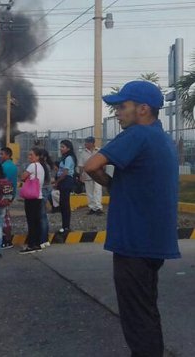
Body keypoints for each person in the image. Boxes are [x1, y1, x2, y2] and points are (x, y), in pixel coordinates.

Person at [84, 80, 180, 357]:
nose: (117, 112)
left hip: (134, 243)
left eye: (122, 106)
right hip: (153, 244)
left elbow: (91, 165)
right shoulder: (161, 137)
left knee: (137, 318)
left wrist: (111, 185)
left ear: (143, 109)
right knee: (146, 311)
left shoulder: (138, 134)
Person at [19, 147, 46, 254]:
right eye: (29, 154)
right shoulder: (41, 167)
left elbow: (23, 177)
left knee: (31, 221)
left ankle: (31, 245)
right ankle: (38, 243)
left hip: (31, 198)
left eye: (31, 155)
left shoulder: (32, 166)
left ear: (37, 156)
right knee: (37, 221)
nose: (29, 157)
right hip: (38, 196)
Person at [53, 140, 77, 234]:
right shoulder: (64, 158)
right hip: (63, 181)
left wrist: (57, 182)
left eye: (63, 147)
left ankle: (66, 226)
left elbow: (65, 172)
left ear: (68, 148)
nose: (61, 148)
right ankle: (64, 226)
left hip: (66, 180)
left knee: (65, 204)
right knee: (63, 204)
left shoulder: (69, 158)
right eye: (61, 146)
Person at [78, 136, 103, 215]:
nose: (85, 144)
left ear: (92, 143)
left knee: (98, 191)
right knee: (89, 192)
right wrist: (81, 175)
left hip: (98, 174)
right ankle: (92, 208)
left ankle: (98, 207)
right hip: (87, 174)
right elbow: (81, 165)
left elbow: (103, 163)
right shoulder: (83, 153)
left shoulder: (99, 151)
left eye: (87, 142)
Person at [0, 147, 17, 249]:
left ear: (8, 155)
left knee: (4, 219)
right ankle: (6, 238)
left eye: (2, 154)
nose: (0, 156)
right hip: (10, 194)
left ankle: (7, 241)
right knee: (5, 216)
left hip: (3, 194)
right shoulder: (13, 166)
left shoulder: (4, 167)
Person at [38, 149, 53, 248]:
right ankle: (45, 239)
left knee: (41, 216)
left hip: (42, 190)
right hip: (47, 189)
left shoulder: (40, 166)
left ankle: (42, 239)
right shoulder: (48, 166)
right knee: (44, 216)